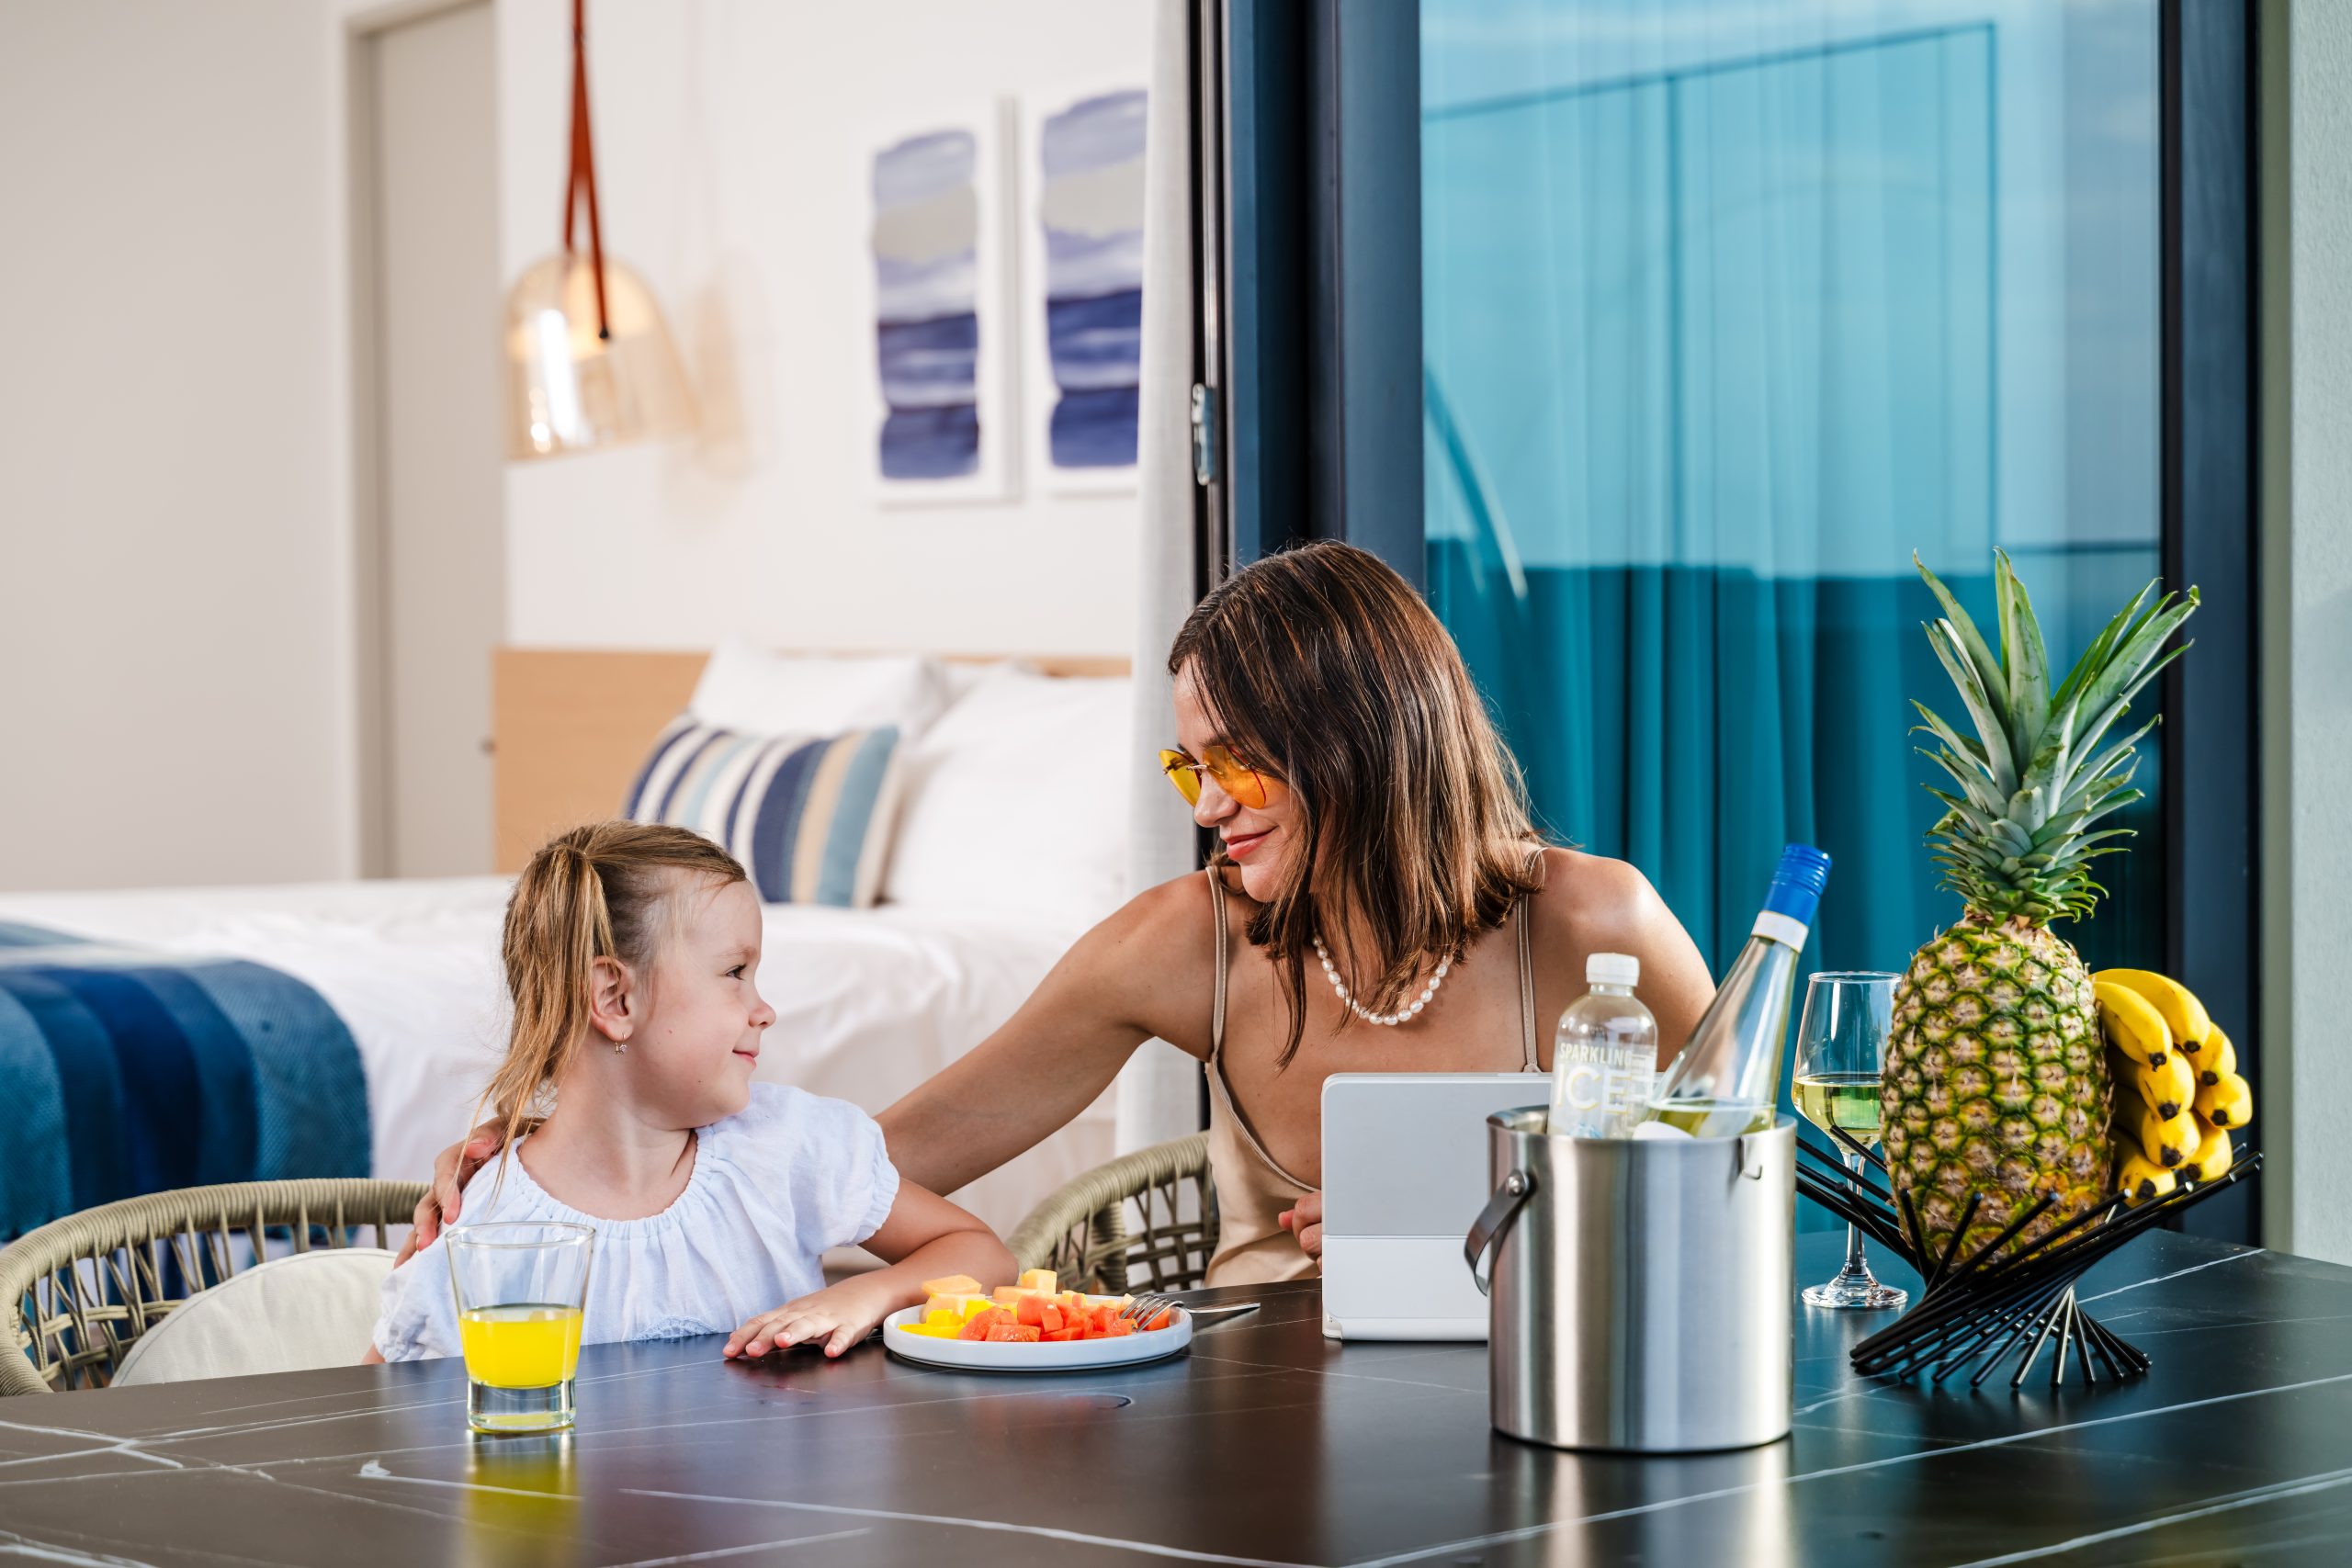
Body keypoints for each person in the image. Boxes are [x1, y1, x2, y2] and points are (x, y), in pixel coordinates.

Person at [408, 544, 1714, 1286]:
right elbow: (878, 1160)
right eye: (1187, 767)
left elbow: (1760, 1185)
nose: (1208, 806)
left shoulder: (1590, 923)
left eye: (1236, 762)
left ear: (1358, 740)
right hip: (1254, 1414)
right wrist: (559, 1160)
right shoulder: (1182, 945)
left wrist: (1529, 1217)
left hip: (1538, 1400)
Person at [368, 822, 1010, 1365]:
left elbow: (984, 1254)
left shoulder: (784, 1146)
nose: (765, 1010)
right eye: (735, 973)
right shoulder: (487, 1226)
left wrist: (868, 1294)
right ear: (615, 998)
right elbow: (373, 1413)